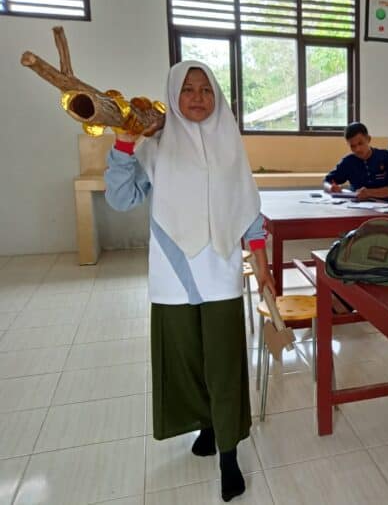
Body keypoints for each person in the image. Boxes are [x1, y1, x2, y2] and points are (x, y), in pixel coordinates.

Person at [104, 61, 273, 502]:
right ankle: (205, 421)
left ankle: (229, 452)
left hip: (220, 272)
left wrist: (262, 263)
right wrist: (124, 142)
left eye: (206, 90)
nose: (198, 97)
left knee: (223, 362)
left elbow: (248, 207)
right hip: (174, 274)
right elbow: (121, 199)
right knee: (183, 359)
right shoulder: (155, 147)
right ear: (173, 95)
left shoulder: (230, 145)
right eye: (188, 90)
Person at [324, 122, 388, 203]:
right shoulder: (348, 162)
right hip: (359, 207)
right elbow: (327, 181)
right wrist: (330, 188)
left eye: (360, 143)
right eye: (352, 146)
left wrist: (368, 193)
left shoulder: (387, 157)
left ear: (368, 139)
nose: (357, 149)